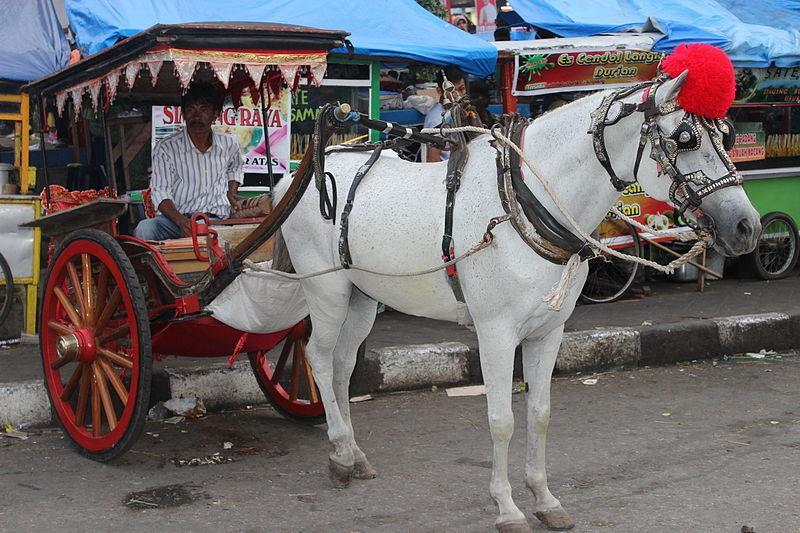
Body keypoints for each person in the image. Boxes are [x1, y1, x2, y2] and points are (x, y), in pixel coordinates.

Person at [134, 81, 246, 241]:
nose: (197, 117)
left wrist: (231, 191)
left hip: (217, 222)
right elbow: (160, 192)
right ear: (184, 114)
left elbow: (236, 167)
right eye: (191, 110)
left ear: (215, 114)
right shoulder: (166, 148)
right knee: (144, 229)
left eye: (204, 110)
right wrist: (181, 222)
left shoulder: (230, 143)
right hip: (176, 221)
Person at [424, 65, 467, 162]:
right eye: (453, 91)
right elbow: (433, 159)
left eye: (462, 89)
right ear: (440, 91)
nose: (458, 95)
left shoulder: (456, 111)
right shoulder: (437, 119)